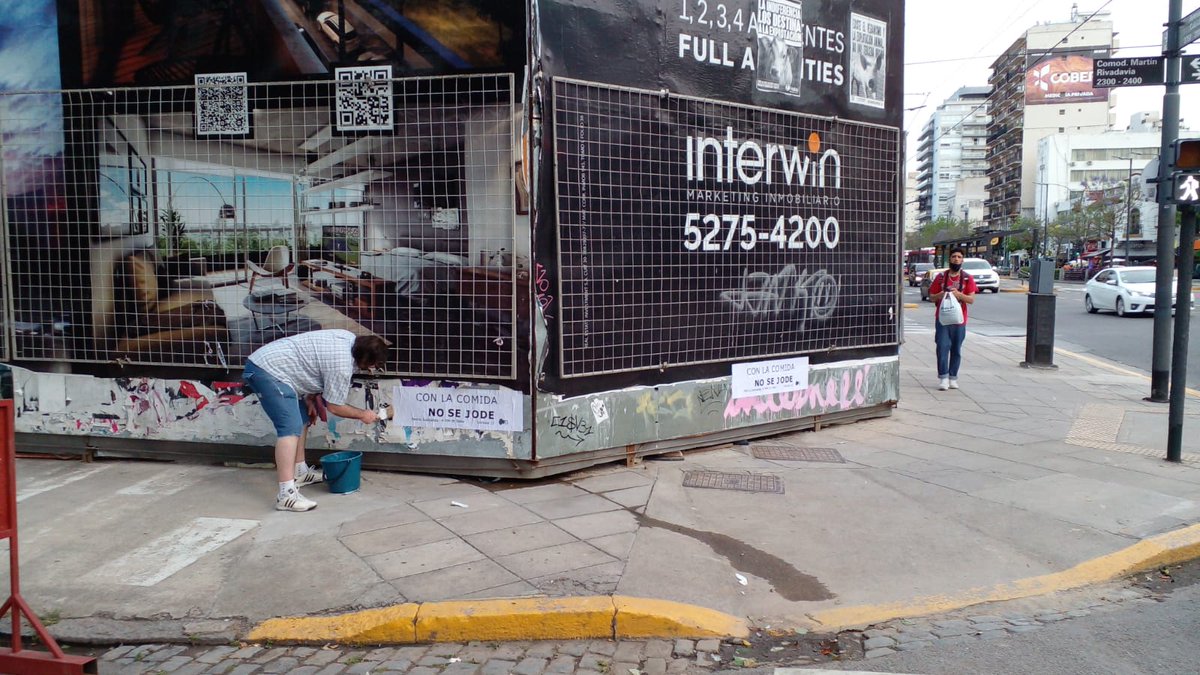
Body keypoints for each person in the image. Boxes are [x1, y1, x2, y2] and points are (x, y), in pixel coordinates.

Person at [242, 330, 388, 511]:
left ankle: (299, 472)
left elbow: (314, 363)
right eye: (372, 365)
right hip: (267, 370)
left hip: (273, 364)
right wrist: (362, 414)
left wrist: (311, 395)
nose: (372, 369)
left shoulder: (347, 338)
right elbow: (335, 407)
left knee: (302, 418)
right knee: (289, 429)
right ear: (365, 361)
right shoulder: (342, 366)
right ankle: (286, 495)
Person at [929, 248, 977, 391]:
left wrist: (959, 295)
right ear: (949, 259)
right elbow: (931, 297)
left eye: (959, 257)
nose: (956, 259)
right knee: (942, 347)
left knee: (956, 349)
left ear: (962, 260)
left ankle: (953, 377)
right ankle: (943, 377)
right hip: (943, 319)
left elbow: (971, 299)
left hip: (959, 320)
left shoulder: (968, 278)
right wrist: (941, 294)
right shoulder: (941, 278)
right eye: (954, 256)